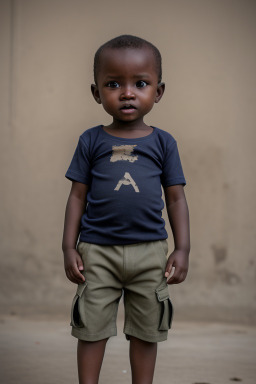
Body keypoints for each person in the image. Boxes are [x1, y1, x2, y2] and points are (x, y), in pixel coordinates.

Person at [62, 35, 190, 384]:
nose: (128, 92)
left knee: (148, 330)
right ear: (96, 92)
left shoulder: (163, 143)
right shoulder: (91, 140)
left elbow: (176, 198)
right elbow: (77, 196)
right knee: (90, 327)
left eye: (141, 83)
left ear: (158, 92)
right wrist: (68, 246)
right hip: (96, 252)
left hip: (150, 253)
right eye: (114, 83)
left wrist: (182, 248)